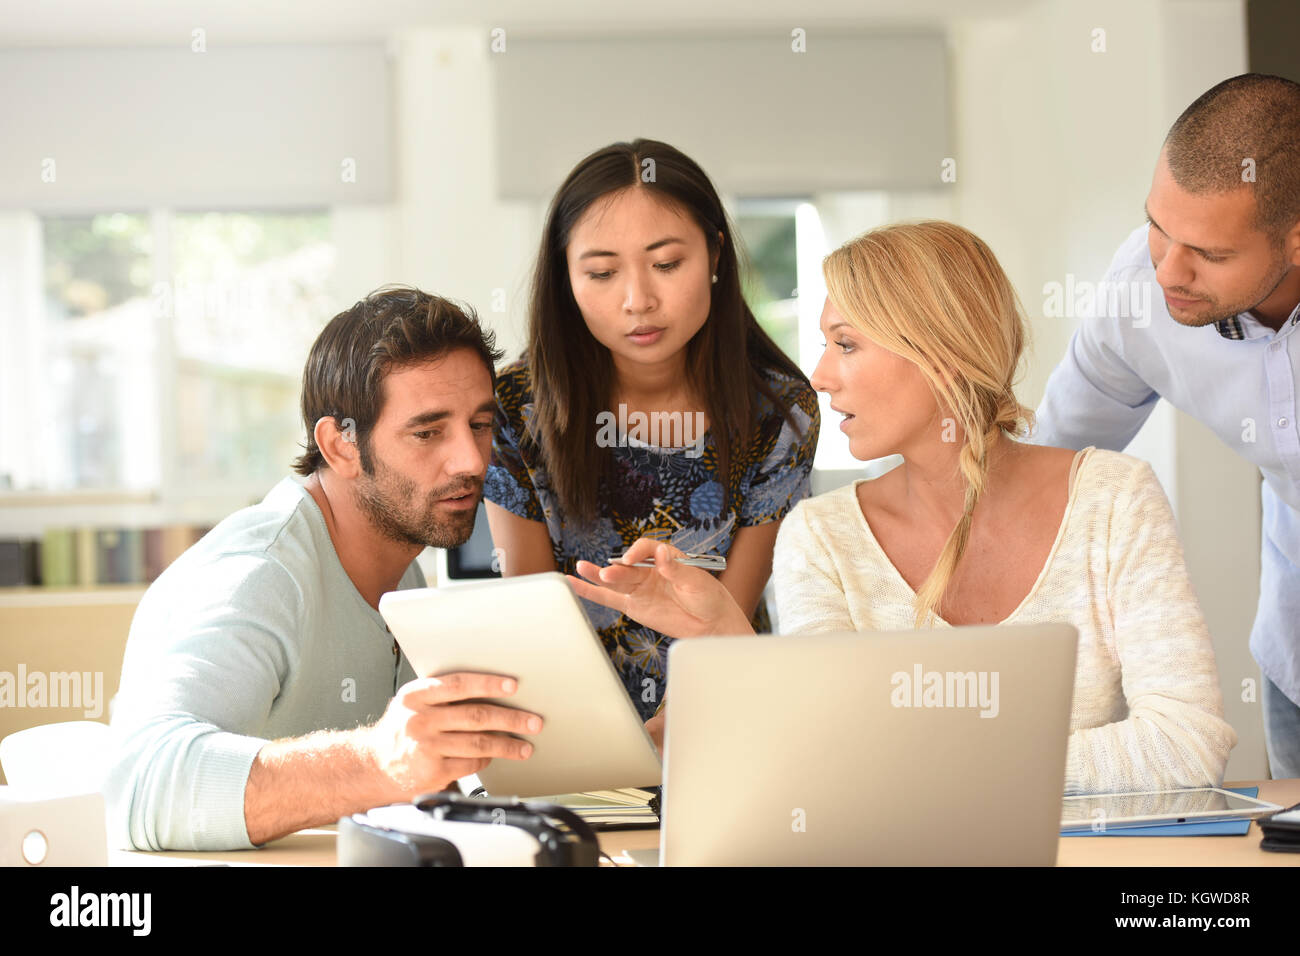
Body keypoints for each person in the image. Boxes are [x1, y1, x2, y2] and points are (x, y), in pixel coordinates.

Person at [570, 221, 1238, 794]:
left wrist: (921, 763)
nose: (822, 375)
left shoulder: (1114, 499)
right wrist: (728, 637)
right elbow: (826, 760)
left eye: (847, 343)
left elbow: (1186, 744)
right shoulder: (821, 538)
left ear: (941, 354)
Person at [105, 287, 543, 851]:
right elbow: (138, 786)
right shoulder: (260, 574)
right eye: (428, 432)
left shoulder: (402, 568)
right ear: (340, 445)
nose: (471, 460)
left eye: (479, 425)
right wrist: (379, 760)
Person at [483, 138, 819, 731]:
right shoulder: (512, 409)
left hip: (721, 716)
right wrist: (603, 749)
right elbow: (534, 613)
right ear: (566, 276)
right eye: (602, 273)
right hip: (570, 724)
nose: (638, 300)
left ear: (715, 252)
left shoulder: (780, 412)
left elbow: (725, 618)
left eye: (666, 264)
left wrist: (667, 736)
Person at [1032, 73, 1300, 779]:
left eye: (1210, 254)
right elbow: (1050, 471)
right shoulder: (1137, 295)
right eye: (1158, 226)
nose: (1168, 272)